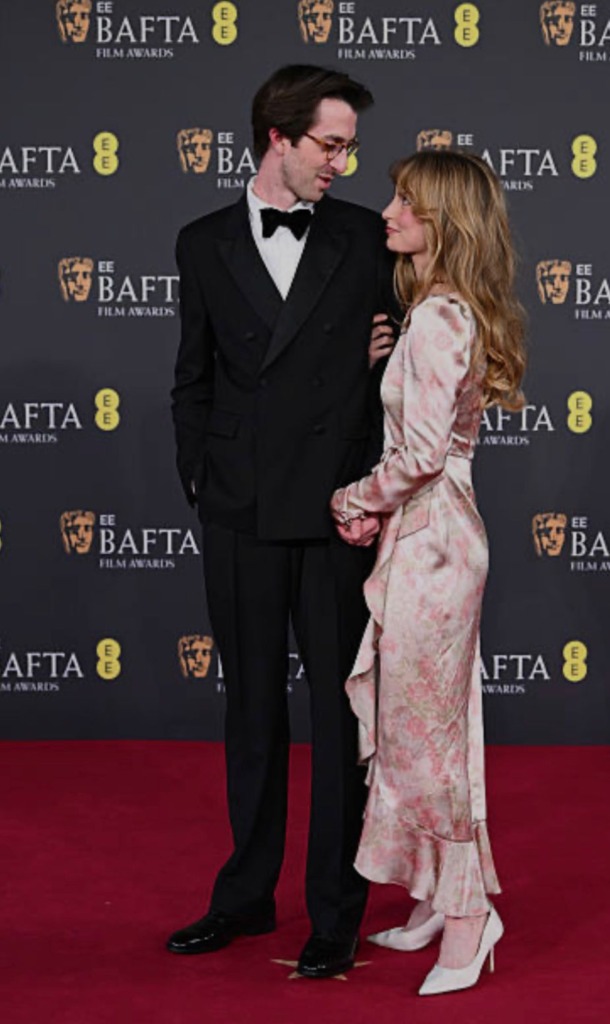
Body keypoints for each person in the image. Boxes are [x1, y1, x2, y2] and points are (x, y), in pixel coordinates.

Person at [168, 65, 397, 979]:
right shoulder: (202, 241)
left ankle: (335, 911)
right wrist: (201, 477)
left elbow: (419, 358)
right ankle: (245, 896)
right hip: (240, 507)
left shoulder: (366, 235)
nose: (342, 162)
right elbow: (192, 376)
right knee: (252, 709)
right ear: (278, 137)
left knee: (339, 719)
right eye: (330, 145)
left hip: (339, 505)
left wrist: (382, 364)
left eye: (348, 147)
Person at [330, 149, 526, 995]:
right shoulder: (437, 312)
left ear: (444, 220)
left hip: (434, 543)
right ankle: (437, 896)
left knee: (430, 741)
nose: (387, 213)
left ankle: (469, 917)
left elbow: (417, 457)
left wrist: (352, 498)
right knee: (429, 732)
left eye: (405, 202)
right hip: (430, 533)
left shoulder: (441, 318)